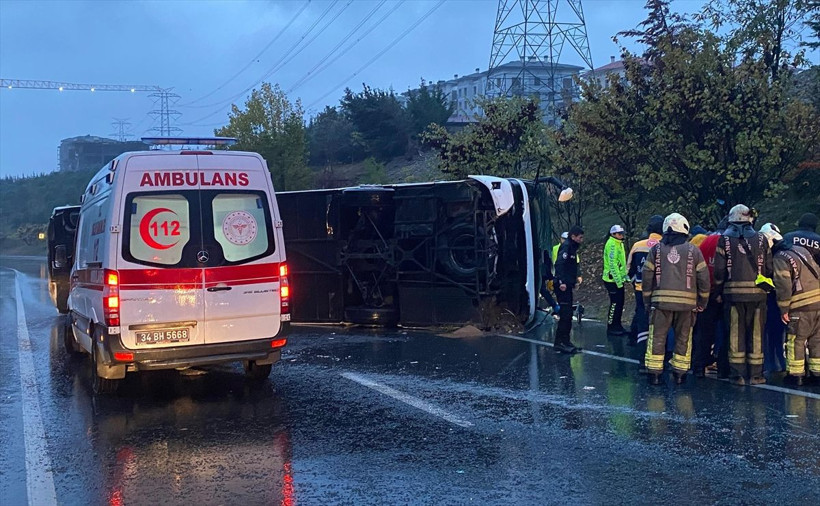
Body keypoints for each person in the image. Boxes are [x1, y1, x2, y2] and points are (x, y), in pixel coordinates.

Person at [642, 213, 711, 385]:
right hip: (687, 306)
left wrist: (647, 301)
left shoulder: (656, 250)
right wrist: (702, 302)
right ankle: (680, 374)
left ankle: (655, 375)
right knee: (683, 339)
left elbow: (647, 277)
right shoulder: (694, 251)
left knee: (657, 338)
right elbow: (704, 278)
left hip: (660, 304)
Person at [713, 204, 774, 386]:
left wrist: (718, 291)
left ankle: (737, 375)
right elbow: (769, 268)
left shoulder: (723, 240)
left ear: (731, 220)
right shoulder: (762, 239)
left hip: (732, 296)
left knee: (735, 335)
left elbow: (719, 271)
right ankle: (756, 375)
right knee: (756, 334)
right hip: (758, 296)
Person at [773, 238, 820, 386]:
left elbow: (784, 285)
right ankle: (816, 373)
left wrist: (783, 308)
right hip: (818, 302)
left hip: (800, 306)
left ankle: (796, 375)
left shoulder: (780, 258)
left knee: (796, 340)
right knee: (816, 340)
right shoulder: (802, 250)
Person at [692, 216, 729, 378]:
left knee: (703, 332)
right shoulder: (729, 242)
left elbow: (698, 267)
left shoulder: (706, 242)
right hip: (725, 293)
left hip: (705, 291)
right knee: (727, 331)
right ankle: (723, 367)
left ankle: (699, 366)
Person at [627, 215, 663, 371]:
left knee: (643, 322)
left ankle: (642, 360)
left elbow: (629, 271)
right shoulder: (666, 246)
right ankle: (658, 359)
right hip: (660, 291)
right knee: (660, 324)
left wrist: (637, 281)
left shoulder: (637, 245)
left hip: (641, 291)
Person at [759, 223, 787, 375]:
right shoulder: (786, 251)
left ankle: (774, 364)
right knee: (778, 334)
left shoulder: (776, 256)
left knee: (772, 333)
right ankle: (778, 363)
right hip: (781, 300)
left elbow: (774, 280)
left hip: (774, 300)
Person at [553, 225, 584, 353]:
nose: (581, 240)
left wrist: (574, 280)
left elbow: (571, 267)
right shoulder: (566, 247)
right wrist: (562, 282)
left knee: (568, 314)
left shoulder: (572, 248)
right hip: (562, 285)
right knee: (565, 315)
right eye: (580, 237)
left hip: (568, 284)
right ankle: (559, 342)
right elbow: (559, 264)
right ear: (573, 237)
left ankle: (566, 341)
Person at [603, 225, 628, 336]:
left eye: (622, 233)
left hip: (618, 279)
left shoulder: (619, 243)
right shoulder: (612, 244)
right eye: (619, 233)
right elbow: (613, 264)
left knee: (620, 303)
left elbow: (621, 263)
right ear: (613, 234)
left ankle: (617, 324)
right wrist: (618, 282)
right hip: (611, 280)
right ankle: (611, 326)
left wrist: (624, 277)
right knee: (614, 303)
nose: (621, 235)